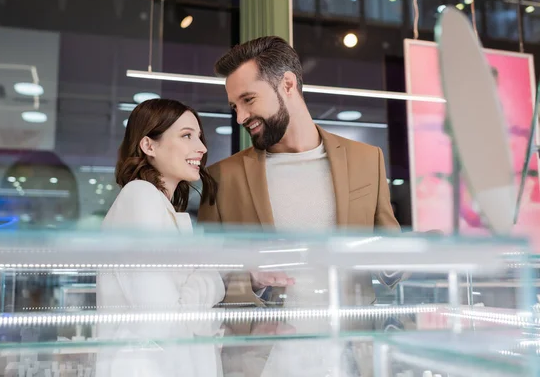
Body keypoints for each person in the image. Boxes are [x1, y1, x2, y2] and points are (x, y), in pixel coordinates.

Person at [197, 36, 402, 308]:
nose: (240, 117)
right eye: (235, 106)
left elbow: (391, 261)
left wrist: (421, 249)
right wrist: (254, 282)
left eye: (248, 99)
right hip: (264, 344)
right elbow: (209, 275)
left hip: (348, 341)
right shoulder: (222, 177)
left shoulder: (366, 159)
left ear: (288, 84)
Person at [96, 98, 225, 377]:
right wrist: (213, 275)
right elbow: (163, 320)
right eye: (187, 136)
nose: (201, 148)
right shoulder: (139, 195)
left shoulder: (159, 205)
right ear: (148, 145)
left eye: (199, 137)